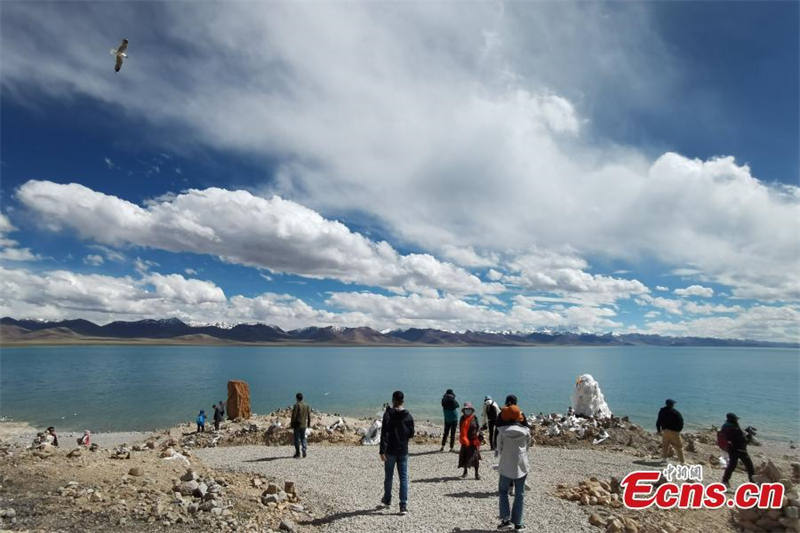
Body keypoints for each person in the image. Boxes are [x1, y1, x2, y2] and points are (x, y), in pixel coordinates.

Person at [379, 390, 415, 515]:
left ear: (393, 400)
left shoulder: (388, 414)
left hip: (390, 450)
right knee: (403, 478)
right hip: (403, 450)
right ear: (403, 401)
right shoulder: (408, 415)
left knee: (389, 477)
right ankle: (403, 505)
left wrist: (382, 451)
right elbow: (411, 433)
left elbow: (384, 433)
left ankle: (387, 500)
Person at [496, 402, 530, 531]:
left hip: (506, 465)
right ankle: (518, 523)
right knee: (520, 494)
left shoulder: (502, 432)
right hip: (522, 465)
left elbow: (499, 448)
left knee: (503, 491)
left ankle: (506, 520)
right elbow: (528, 447)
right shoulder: (526, 431)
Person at [721, 412, 755, 487]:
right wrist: (749, 435)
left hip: (731, 449)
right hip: (740, 450)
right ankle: (753, 484)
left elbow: (731, 437)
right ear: (734, 419)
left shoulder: (725, 426)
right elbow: (743, 440)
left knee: (732, 465)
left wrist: (746, 431)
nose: (737, 420)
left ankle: (725, 481)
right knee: (750, 467)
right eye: (736, 419)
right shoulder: (735, 428)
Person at [458, 402, 482, 480]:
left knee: (475, 458)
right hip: (465, 441)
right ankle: (465, 472)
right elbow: (461, 429)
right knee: (464, 456)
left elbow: (478, 427)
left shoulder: (474, 418)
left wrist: (479, 435)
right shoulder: (462, 418)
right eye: (466, 409)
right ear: (464, 410)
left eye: (469, 409)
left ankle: (476, 473)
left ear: (471, 410)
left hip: (473, 440)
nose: (467, 411)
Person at [656, 399, 684, 463]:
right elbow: (681, 422)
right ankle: (682, 462)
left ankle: (664, 459)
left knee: (665, 445)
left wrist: (658, 430)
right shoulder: (675, 412)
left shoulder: (662, 411)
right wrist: (679, 430)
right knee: (678, 446)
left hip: (665, 431)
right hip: (674, 432)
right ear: (672, 405)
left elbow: (658, 421)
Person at [291, 392, 311, 458]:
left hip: (297, 425)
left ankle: (297, 453)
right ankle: (304, 449)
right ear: (302, 398)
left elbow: (294, 416)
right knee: (303, 438)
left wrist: (292, 424)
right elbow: (309, 416)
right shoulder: (307, 405)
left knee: (296, 439)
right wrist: (308, 424)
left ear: (297, 398)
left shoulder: (296, 405)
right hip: (304, 425)